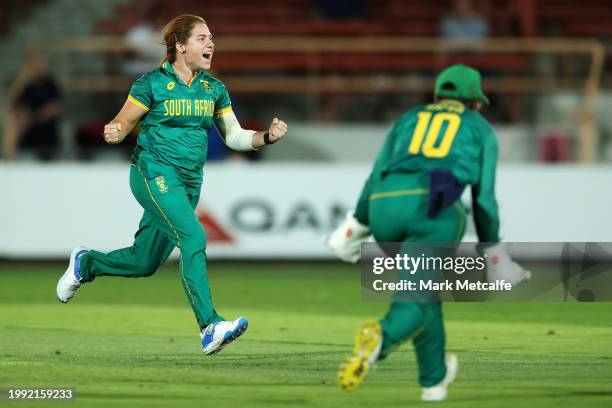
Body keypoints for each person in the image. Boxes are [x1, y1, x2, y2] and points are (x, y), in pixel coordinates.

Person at [56, 14, 288, 355]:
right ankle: (210, 325)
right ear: (180, 47)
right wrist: (115, 131)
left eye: (211, 38)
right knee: (193, 236)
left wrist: (266, 137)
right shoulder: (150, 83)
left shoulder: (214, 89)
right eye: (202, 38)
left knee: (144, 262)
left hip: (189, 183)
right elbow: (122, 122)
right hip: (153, 174)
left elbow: (235, 136)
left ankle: (86, 263)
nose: (211, 44)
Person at [323, 64, 529, 401]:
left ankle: (433, 381)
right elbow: (485, 199)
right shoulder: (479, 127)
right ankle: (380, 339)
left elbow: (375, 176)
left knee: (422, 292)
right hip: (433, 206)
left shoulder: (408, 118)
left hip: (384, 205)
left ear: (437, 96)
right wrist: (494, 252)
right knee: (415, 296)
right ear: (475, 102)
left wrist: (354, 227)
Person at [2, 48, 62, 161]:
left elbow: (54, 107)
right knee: (11, 122)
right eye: (32, 61)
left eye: (37, 60)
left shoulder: (50, 82)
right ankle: (8, 157)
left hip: (44, 123)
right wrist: (21, 81)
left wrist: (35, 116)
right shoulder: (24, 84)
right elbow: (13, 103)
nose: (35, 64)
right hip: (27, 124)